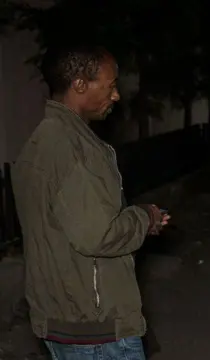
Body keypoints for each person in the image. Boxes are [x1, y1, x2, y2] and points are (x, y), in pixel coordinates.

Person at [11, 45, 169, 360]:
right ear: (80, 84)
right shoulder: (75, 149)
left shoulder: (39, 142)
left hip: (62, 318)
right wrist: (144, 218)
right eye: (109, 86)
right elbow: (98, 235)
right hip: (95, 328)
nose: (116, 97)